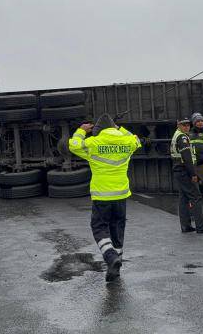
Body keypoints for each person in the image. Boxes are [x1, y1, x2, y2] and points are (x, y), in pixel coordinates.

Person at [69, 113, 141, 282]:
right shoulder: (127, 142)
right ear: (113, 128)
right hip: (121, 194)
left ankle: (110, 257)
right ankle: (116, 265)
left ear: (99, 130)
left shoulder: (93, 143)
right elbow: (136, 140)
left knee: (99, 227)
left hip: (102, 194)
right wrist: (120, 129)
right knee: (117, 229)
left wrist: (81, 130)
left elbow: (73, 145)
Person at [171, 119, 203, 234]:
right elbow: (187, 158)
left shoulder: (177, 135)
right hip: (185, 171)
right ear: (178, 125)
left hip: (179, 171)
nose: (187, 127)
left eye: (188, 125)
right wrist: (193, 174)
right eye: (184, 125)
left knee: (184, 198)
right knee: (196, 197)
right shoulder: (183, 138)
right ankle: (201, 226)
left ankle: (186, 226)